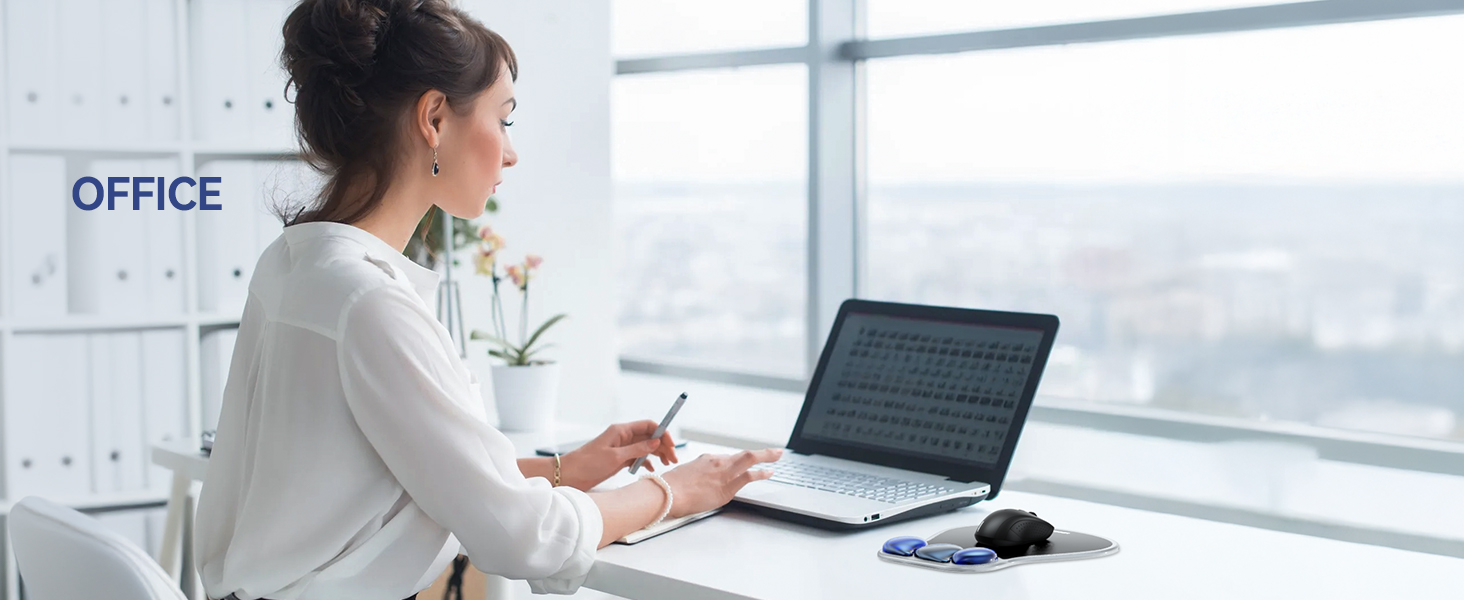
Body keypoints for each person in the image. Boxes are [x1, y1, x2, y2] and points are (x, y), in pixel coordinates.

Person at [192, 1, 781, 598]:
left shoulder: (292, 263)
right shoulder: (369, 302)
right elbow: (524, 537)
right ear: (433, 118)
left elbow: (409, 476)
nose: (510, 151)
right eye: (504, 119)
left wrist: (566, 469)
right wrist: (678, 490)